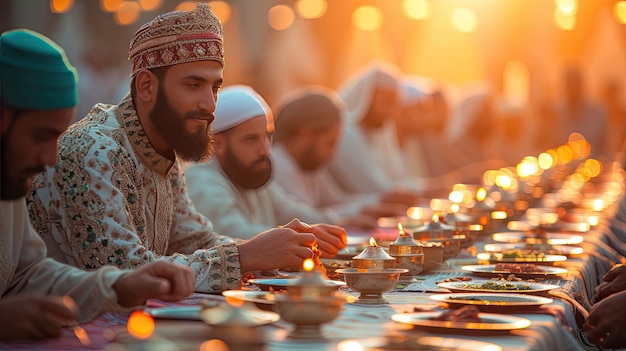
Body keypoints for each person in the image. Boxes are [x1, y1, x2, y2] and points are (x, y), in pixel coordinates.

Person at [26, 4, 340, 295]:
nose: (210, 105)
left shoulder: (162, 151)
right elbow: (126, 273)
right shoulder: (93, 149)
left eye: (214, 87)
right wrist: (246, 255)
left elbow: (195, 239)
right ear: (147, 86)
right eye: (193, 85)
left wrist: (278, 247)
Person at [0, 29, 195, 340]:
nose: (50, 157)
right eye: (41, 136)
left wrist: (119, 285)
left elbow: (29, 273)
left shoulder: (9, 177)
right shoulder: (89, 149)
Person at [184, 85, 353, 237]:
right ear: (218, 144)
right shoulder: (202, 180)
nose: (265, 149)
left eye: (267, 137)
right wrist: (293, 237)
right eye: (251, 139)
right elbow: (237, 234)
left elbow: (294, 213)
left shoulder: (251, 174)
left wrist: (339, 223)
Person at [271, 85, 411, 229]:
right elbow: (303, 218)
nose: (332, 154)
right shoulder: (279, 165)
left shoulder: (307, 164)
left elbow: (338, 201)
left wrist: (378, 203)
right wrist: (345, 220)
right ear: (306, 134)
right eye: (330, 143)